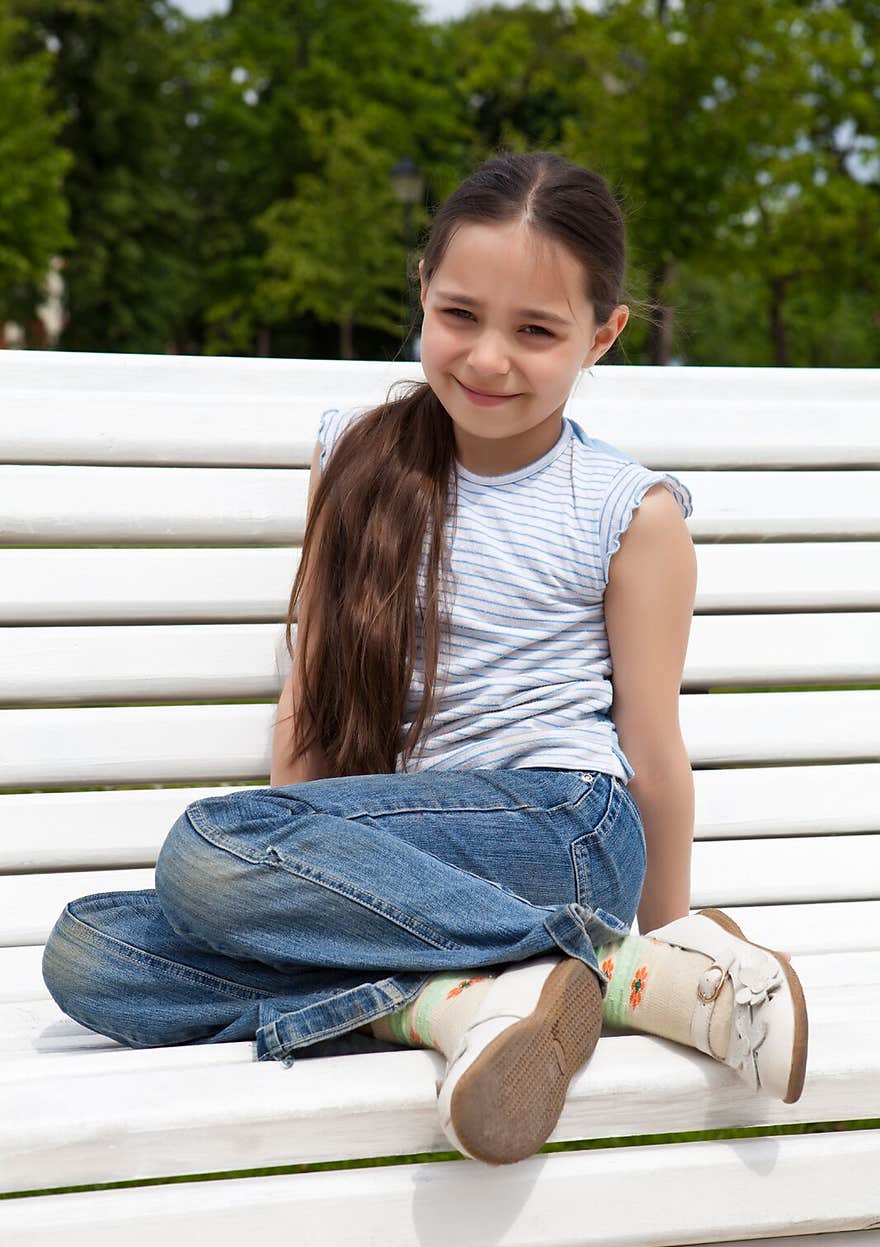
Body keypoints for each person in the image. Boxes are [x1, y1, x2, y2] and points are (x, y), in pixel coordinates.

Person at [41, 150, 808, 1166]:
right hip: (398, 863)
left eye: (536, 331)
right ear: (421, 290)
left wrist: (673, 938)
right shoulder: (357, 455)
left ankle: (627, 971)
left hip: (562, 825)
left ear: (603, 336)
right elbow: (313, 687)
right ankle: (458, 1000)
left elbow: (653, 750)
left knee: (202, 851)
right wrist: (285, 866)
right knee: (90, 950)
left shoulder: (629, 510)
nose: (488, 358)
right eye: (460, 314)